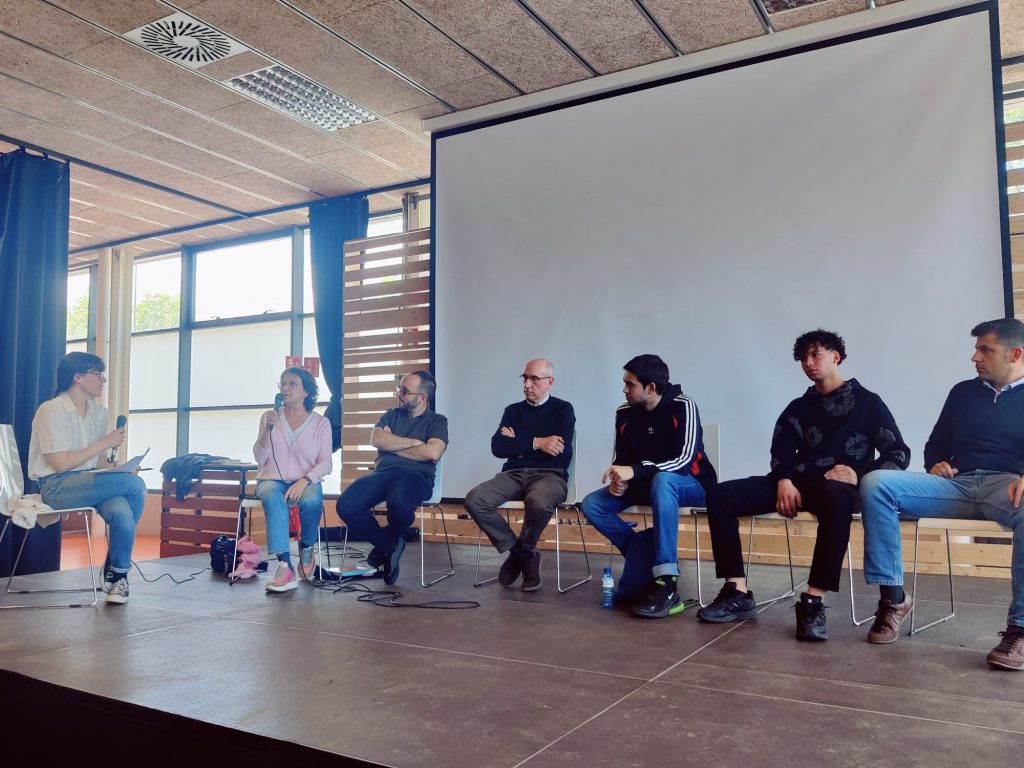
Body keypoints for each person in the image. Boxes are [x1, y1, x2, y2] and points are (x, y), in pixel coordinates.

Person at [696, 330, 910, 641]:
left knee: (837, 501)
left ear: (835, 356)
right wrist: (784, 480)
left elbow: (898, 454)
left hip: (838, 490)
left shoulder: (869, 403)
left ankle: (813, 601)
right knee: (720, 496)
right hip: (795, 485)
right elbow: (781, 449)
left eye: (815, 355)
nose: (808, 363)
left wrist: (858, 473)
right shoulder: (799, 407)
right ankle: (737, 591)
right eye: (803, 358)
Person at [860, 318, 1024, 669]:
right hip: (956, 485)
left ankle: (1020, 630)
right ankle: (894, 600)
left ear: (1015, 354)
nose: (974, 357)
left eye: (985, 350)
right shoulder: (962, 392)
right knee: (876, 483)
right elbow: (936, 444)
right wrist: (936, 463)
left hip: (1007, 487)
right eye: (976, 349)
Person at [581, 354, 717, 618]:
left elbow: (683, 461)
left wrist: (635, 470)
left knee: (663, 480)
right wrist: (619, 481)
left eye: (630, 384)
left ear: (651, 388)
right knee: (593, 504)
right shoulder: (624, 412)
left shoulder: (683, 406)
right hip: (648, 483)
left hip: (692, 484)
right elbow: (621, 459)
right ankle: (643, 550)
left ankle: (666, 581)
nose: (624, 389)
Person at [27, 352, 146, 605]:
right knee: (135, 486)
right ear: (78, 378)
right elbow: (60, 464)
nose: (103, 380)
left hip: (90, 480)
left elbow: (96, 461)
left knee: (123, 512)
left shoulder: (98, 412)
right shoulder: (51, 410)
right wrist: (105, 442)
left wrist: (118, 468)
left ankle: (118, 575)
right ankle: (117, 565)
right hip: (57, 486)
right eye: (98, 374)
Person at [465, 359, 575, 591]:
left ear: (550, 382)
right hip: (513, 474)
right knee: (476, 499)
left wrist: (518, 442)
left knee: (539, 502)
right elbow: (498, 447)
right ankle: (523, 555)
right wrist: (537, 442)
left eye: (534, 379)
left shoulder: (563, 409)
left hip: (550, 475)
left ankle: (521, 552)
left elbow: (559, 450)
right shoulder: (513, 411)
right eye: (525, 378)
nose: (527, 384)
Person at [337, 371, 447, 585]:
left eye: (404, 391)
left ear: (422, 397)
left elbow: (433, 452)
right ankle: (389, 546)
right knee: (347, 505)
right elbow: (376, 439)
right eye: (399, 389)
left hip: (417, 476)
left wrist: (392, 444)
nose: (399, 394)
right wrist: (415, 443)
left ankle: (387, 544)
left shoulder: (438, 421)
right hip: (382, 473)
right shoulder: (391, 414)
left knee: (399, 501)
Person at [254, 367, 333, 593]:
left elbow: (326, 463)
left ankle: (307, 549)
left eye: (292, 384)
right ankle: (284, 566)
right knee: (272, 496)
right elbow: (260, 457)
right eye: (283, 383)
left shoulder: (321, 424)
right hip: (271, 479)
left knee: (311, 500)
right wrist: (267, 430)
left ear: (306, 391)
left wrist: (305, 480)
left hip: (305, 480)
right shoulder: (270, 417)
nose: (285, 388)